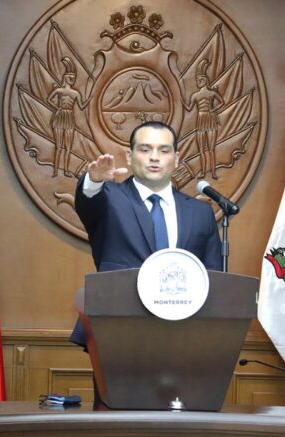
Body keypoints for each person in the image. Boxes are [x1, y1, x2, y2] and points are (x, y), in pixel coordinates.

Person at [69, 121, 222, 349]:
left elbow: (213, 276)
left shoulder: (200, 212)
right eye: (145, 149)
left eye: (164, 150)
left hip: (185, 335)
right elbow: (88, 200)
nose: (154, 157)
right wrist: (94, 181)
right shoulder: (109, 198)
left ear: (176, 159)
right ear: (130, 157)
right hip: (116, 328)